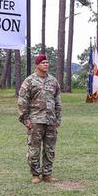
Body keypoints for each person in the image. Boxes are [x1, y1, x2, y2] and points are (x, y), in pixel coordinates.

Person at [17, 53, 62, 184]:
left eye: (47, 62)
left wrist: (58, 120)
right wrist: (25, 120)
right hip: (35, 121)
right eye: (43, 62)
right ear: (37, 65)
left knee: (50, 149)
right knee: (34, 149)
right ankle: (35, 174)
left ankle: (47, 174)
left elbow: (58, 101)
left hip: (51, 121)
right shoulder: (30, 81)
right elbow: (22, 101)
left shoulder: (53, 81)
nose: (46, 64)